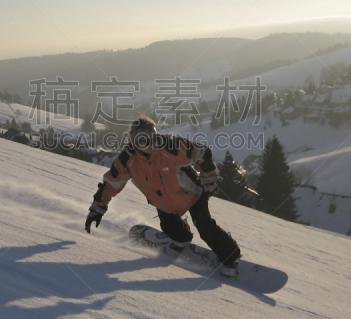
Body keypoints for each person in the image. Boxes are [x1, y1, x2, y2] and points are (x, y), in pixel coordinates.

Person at [85, 117, 241, 276]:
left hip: (192, 195)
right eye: (146, 141)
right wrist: (98, 208)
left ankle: (230, 257)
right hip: (164, 204)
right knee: (170, 228)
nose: (154, 144)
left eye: (155, 137)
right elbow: (111, 184)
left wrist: (208, 180)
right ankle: (182, 239)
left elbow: (202, 153)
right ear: (135, 143)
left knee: (205, 226)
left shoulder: (170, 147)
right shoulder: (127, 161)